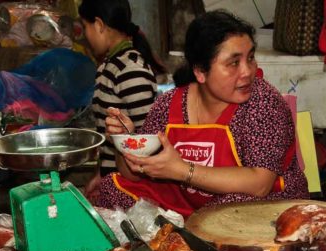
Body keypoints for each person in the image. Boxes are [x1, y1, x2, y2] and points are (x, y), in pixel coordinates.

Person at [97, 10, 309, 217]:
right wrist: (125, 142)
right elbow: (133, 174)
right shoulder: (169, 104)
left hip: (261, 207)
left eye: (250, 58)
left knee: (230, 206)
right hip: (187, 205)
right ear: (200, 71)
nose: (248, 71)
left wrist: (181, 170)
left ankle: (183, 240)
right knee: (111, 186)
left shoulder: (263, 102)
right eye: (234, 63)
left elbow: (260, 184)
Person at [78, 0, 165, 197]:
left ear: (99, 25)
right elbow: (109, 137)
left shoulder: (130, 70)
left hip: (131, 188)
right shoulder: (108, 67)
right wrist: (100, 173)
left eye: (85, 27)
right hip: (114, 183)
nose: (85, 36)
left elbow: (148, 139)